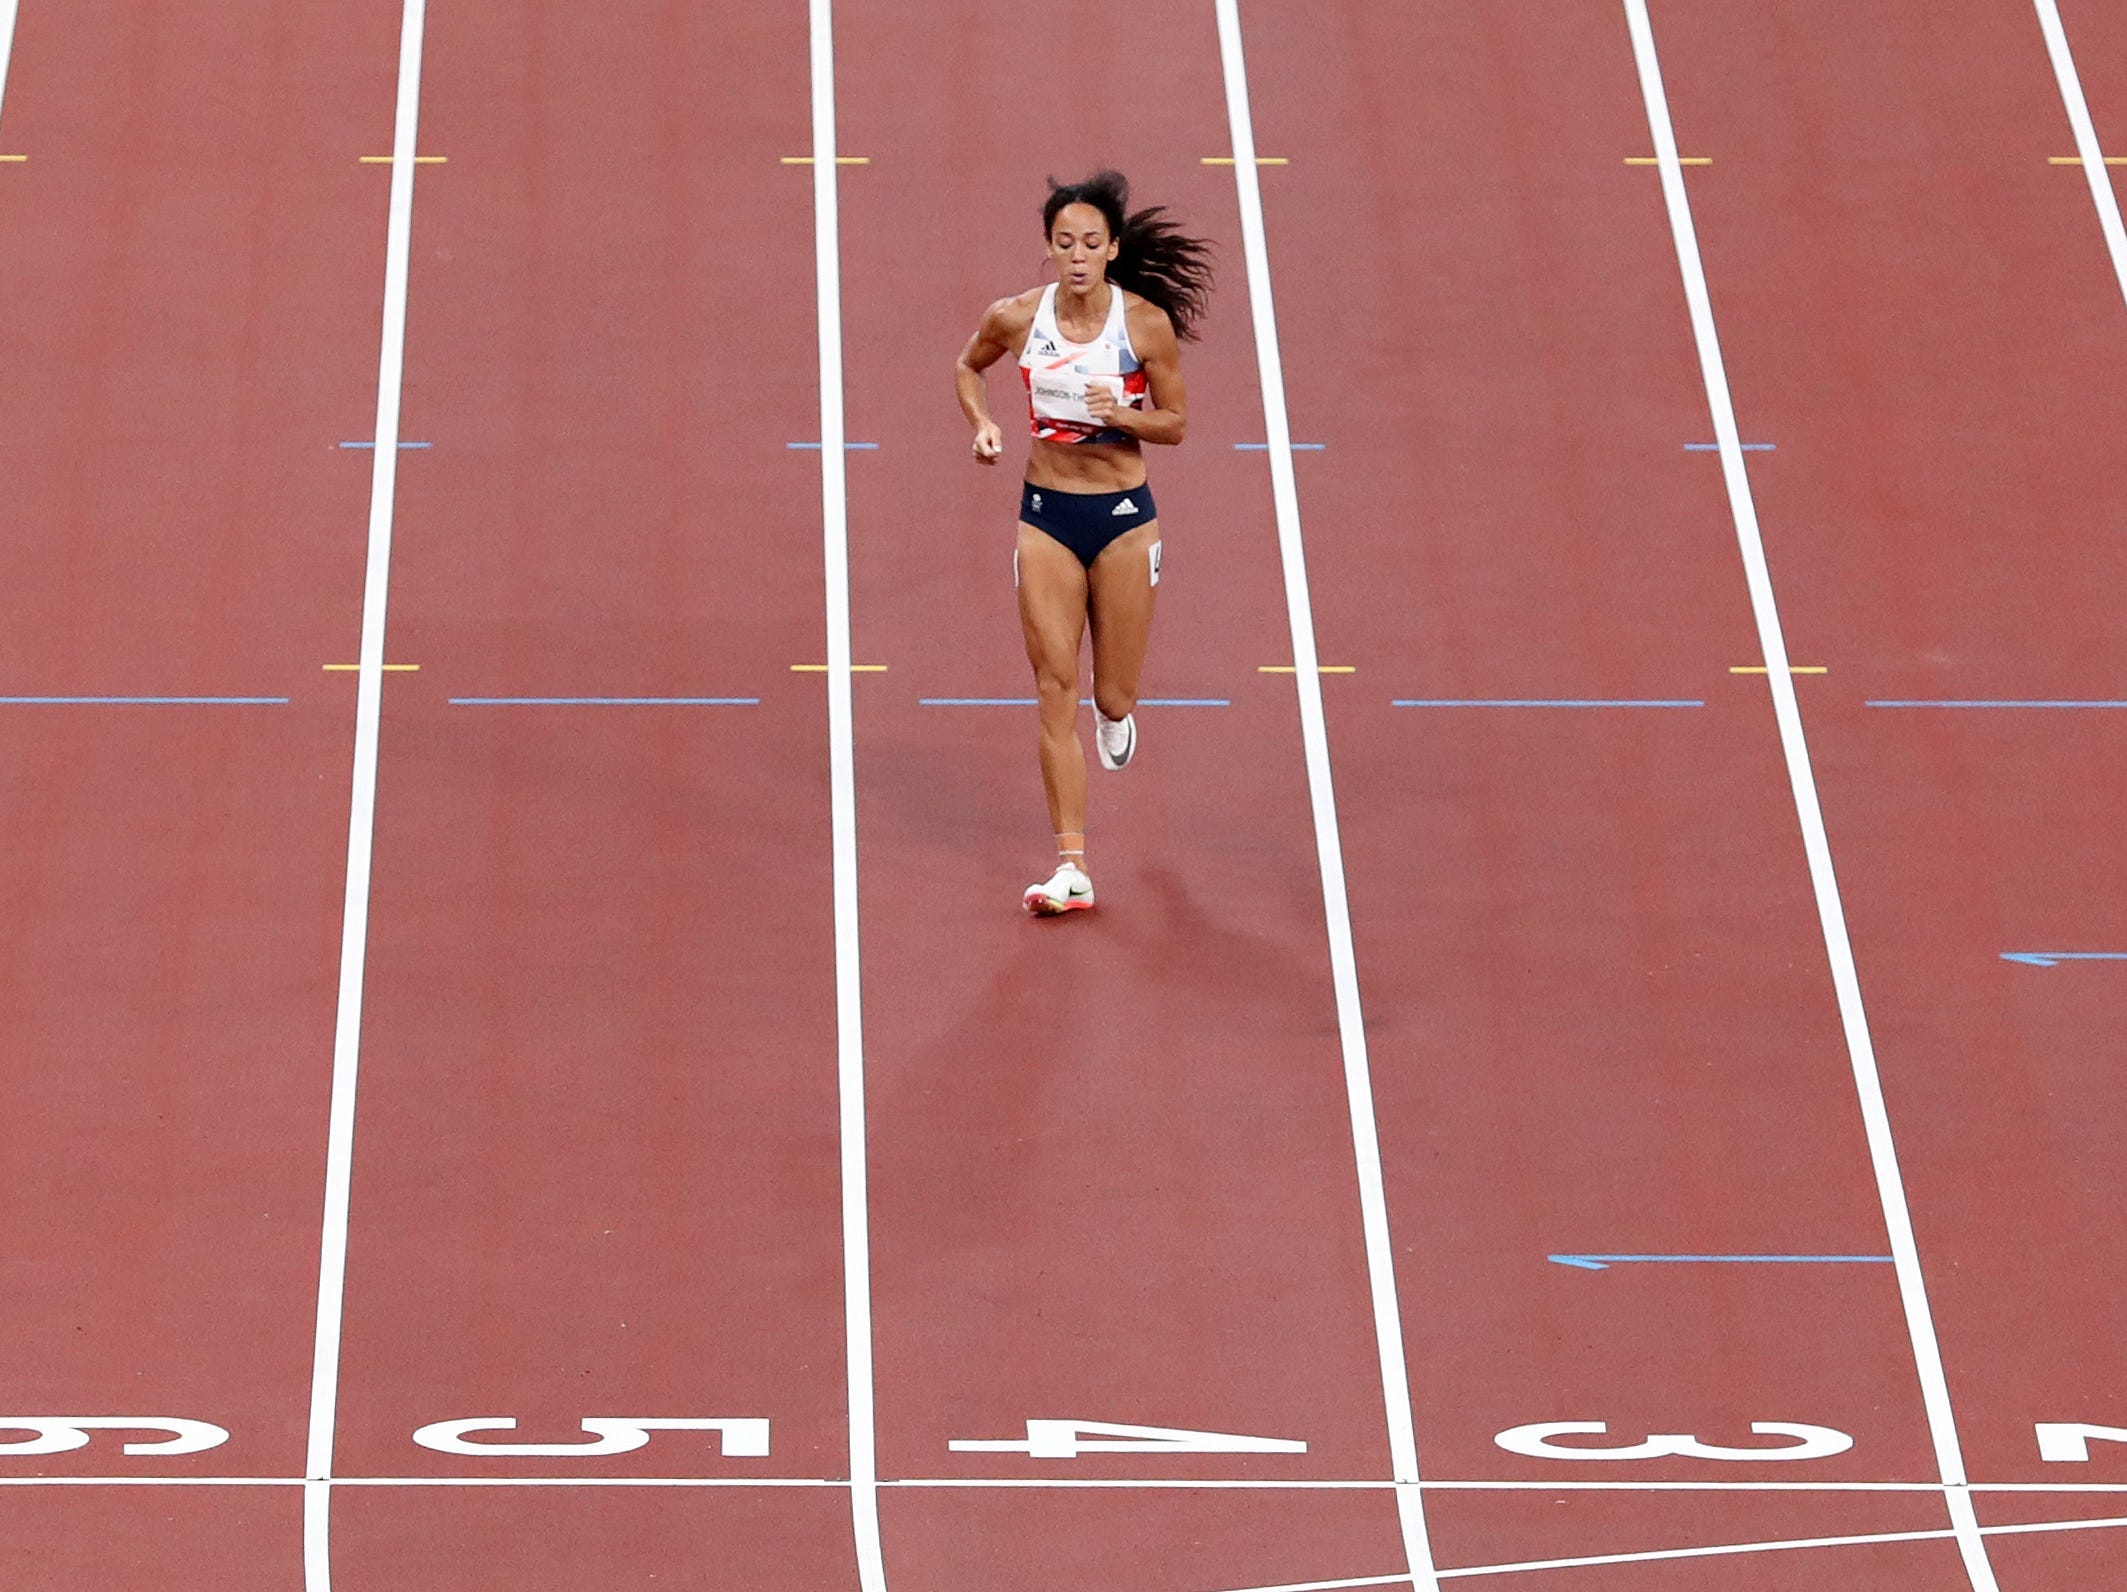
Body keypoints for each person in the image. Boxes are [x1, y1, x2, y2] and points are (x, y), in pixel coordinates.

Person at [953, 171, 1212, 915]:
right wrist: (982, 424)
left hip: (1125, 518)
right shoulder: (1014, 317)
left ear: (1112, 249)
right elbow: (967, 367)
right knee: (1051, 685)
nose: (1076, 255)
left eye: (1090, 243)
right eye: (1064, 242)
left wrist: (1122, 413)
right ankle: (1072, 865)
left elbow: (1177, 423)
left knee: (1110, 691)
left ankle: (1117, 713)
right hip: (1046, 517)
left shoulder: (1143, 325)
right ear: (1048, 246)